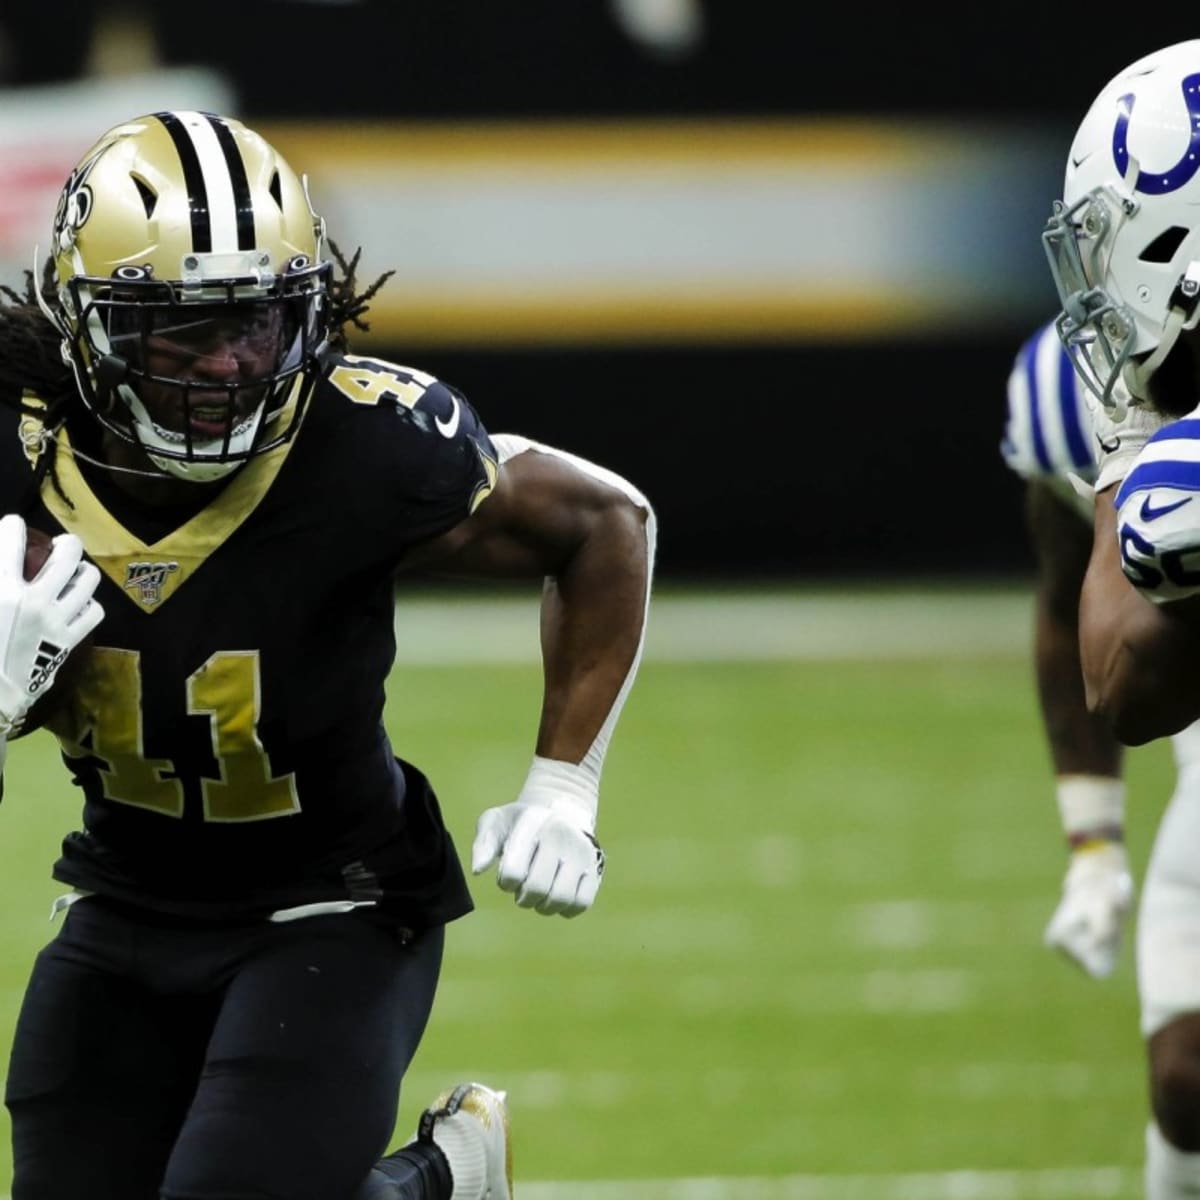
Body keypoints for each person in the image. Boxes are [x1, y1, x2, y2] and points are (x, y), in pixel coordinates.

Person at [0, 110, 656, 1200]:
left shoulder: (363, 448)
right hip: (120, 903)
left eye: (256, 325)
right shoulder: (20, 459)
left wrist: (563, 787)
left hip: (337, 903)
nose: (227, 368)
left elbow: (605, 523)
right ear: (88, 327)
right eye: (181, 331)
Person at [1043, 37, 1200, 1198]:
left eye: (1104, 238)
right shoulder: (1151, 398)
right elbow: (1121, 679)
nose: (1091, 279)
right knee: (1190, 1077)